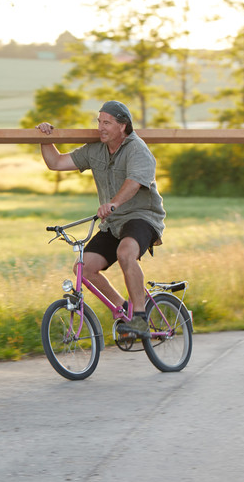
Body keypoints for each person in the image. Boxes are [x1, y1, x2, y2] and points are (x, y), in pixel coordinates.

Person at [36, 100, 165, 337]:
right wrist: (46, 138)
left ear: (123, 126)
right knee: (84, 270)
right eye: (99, 122)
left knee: (125, 253)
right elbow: (56, 162)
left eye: (107, 122)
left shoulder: (138, 150)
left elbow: (134, 183)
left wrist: (113, 203)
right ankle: (123, 308)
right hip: (113, 224)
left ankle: (139, 317)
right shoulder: (95, 150)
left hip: (142, 217)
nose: (101, 127)